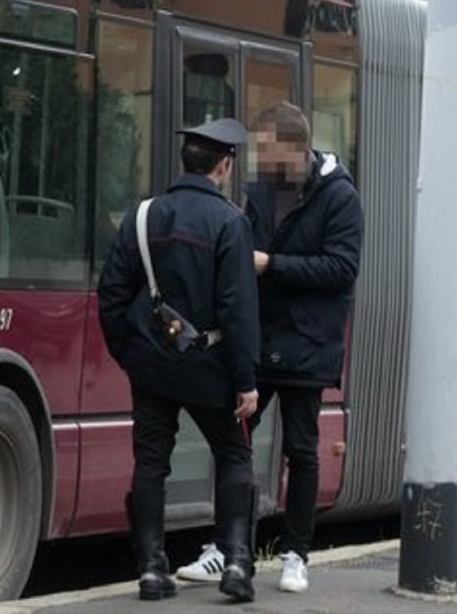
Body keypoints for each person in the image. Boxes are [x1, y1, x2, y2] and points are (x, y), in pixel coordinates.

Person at [177, 102, 363, 593]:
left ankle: (296, 554)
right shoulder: (257, 192)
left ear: (292, 148)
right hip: (258, 338)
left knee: (301, 450)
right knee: (233, 443)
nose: (255, 157)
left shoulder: (340, 196)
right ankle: (226, 548)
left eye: (264, 147)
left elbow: (342, 269)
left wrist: (271, 264)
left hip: (307, 342)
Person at [98, 118, 262, 603]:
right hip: (211, 366)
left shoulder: (143, 215)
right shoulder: (232, 224)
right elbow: (238, 312)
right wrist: (245, 379)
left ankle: (151, 570)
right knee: (234, 454)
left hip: (151, 364)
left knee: (150, 460)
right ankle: (236, 564)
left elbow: (111, 294)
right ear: (224, 166)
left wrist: (128, 354)